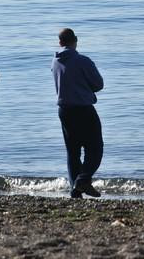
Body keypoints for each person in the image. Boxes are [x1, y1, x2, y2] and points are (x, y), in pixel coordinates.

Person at [51, 28, 104, 199]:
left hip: (64, 110)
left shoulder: (55, 62)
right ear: (76, 40)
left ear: (60, 43)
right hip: (83, 109)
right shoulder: (83, 61)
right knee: (95, 148)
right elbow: (98, 84)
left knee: (73, 152)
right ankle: (83, 179)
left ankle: (76, 190)